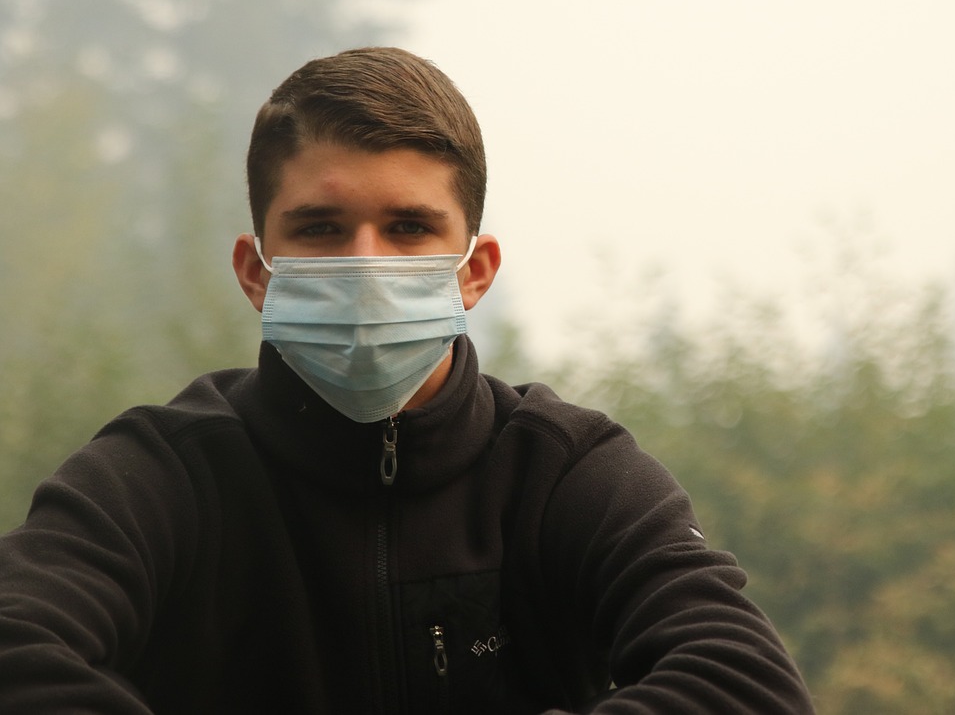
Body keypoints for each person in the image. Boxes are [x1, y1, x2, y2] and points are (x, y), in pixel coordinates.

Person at [0, 47, 814, 713]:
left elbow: (744, 679)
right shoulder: (165, 470)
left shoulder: (561, 468)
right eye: (320, 228)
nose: (365, 262)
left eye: (409, 228)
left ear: (474, 270)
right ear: (257, 270)